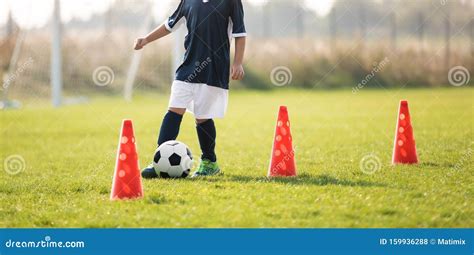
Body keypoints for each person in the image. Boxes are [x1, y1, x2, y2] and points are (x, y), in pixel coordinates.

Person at [134, 0, 247, 178]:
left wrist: (238, 62)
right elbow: (169, 24)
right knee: (174, 109)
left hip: (214, 67)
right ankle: (159, 160)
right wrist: (146, 39)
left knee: (202, 117)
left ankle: (210, 162)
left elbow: (240, 33)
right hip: (187, 67)